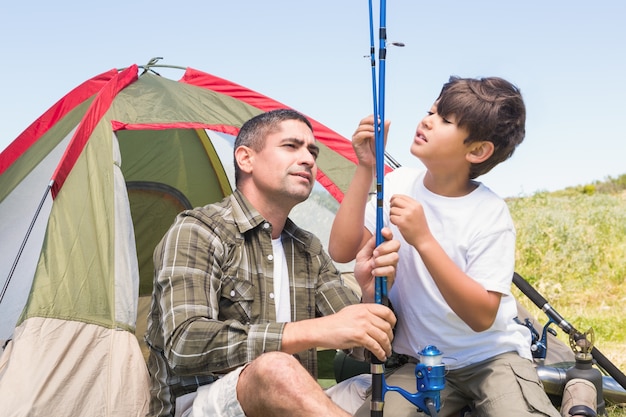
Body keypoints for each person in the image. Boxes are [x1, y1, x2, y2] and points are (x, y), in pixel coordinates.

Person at [329, 76, 561, 417]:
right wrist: (366, 167)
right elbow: (341, 250)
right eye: (430, 111)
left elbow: (481, 316)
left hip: (492, 358)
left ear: (478, 150)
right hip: (423, 363)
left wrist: (423, 240)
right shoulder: (397, 185)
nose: (426, 121)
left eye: (444, 120)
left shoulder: (489, 212)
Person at [144, 108, 400, 417]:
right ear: (246, 159)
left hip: (288, 399)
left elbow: (371, 350)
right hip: (198, 405)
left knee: (390, 386)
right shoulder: (198, 230)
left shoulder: (308, 249)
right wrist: (313, 330)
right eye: (291, 146)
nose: (308, 159)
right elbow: (185, 342)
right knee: (275, 366)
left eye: (312, 151)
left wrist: (371, 295)